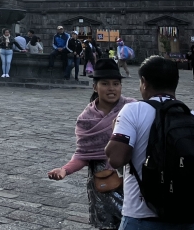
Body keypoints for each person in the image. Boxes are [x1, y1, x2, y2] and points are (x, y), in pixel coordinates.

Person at [105, 56, 194, 230]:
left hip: (142, 217)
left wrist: (115, 129)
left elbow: (116, 159)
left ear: (144, 82)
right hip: (188, 216)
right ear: (175, 83)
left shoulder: (133, 110)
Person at [48, 59, 134, 229]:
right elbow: (83, 154)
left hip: (132, 180)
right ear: (95, 87)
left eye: (116, 84)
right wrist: (65, 170)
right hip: (104, 183)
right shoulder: (86, 119)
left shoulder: (133, 108)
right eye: (105, 84)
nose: (111, 88)